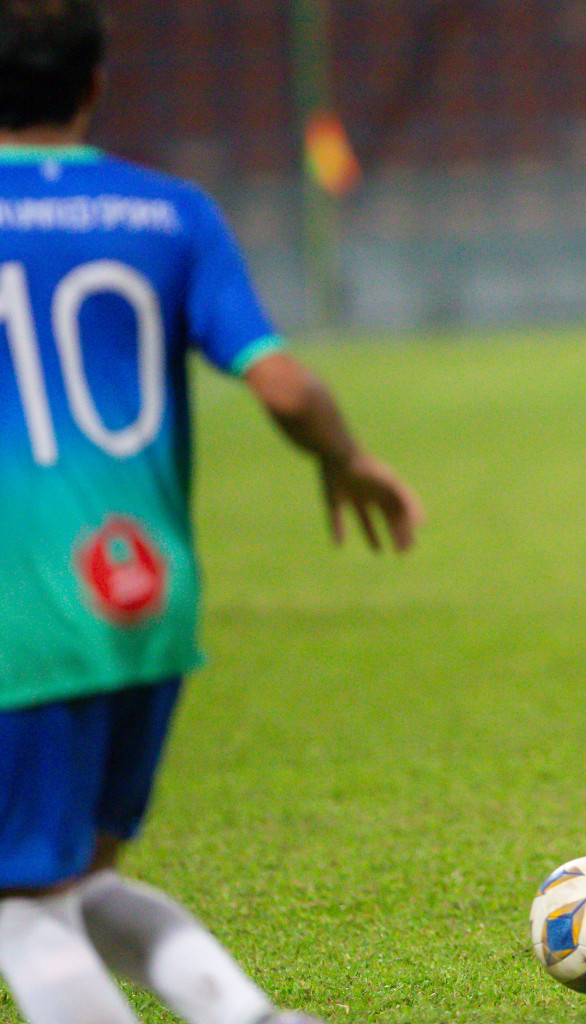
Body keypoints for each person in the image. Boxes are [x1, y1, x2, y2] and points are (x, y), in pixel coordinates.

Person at [0, 2, 424, 1022]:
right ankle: (251, 1016)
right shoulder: (169, 212)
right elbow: (280, 385)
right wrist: (349, 458)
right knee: (81, 877)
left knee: (17, 906)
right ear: (96, 85)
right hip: (145, 597)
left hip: (18, 608)